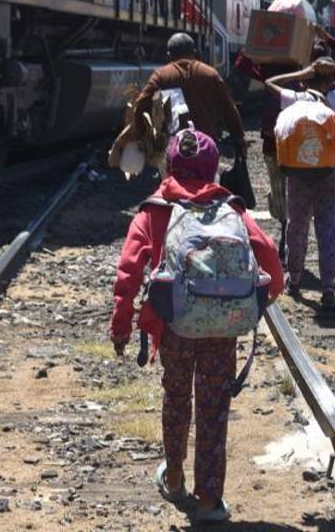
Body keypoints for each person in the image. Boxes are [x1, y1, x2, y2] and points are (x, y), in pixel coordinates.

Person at [110, 129, 284, 525]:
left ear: (170, 165)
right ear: (213, 167)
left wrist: (121, 326)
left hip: (173, 325)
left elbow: (129, 272)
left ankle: (173, 477)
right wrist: (266, 295)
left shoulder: (154, 208)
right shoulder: (230, 207)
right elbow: (270, 257)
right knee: (213, 407)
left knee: (176, 398)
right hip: (222, 327)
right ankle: (209, 500)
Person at [266, 59, 335, 310]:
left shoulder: (292, 98)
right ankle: (328, 289)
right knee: (327, 229)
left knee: (297, 227)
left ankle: (295, 281)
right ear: (329, 81)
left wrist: (302, 72)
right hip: (328, 174)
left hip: (297, 174)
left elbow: (268, 83)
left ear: (304, 81)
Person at [132, 33, 245, 151]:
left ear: (169, 55)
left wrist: (141, 137)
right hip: (206, 146)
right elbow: (228, 108)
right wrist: (239, 137)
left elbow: (140, 105)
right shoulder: (211, 74)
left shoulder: (161, 75)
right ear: (195, 52)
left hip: (175, 149)